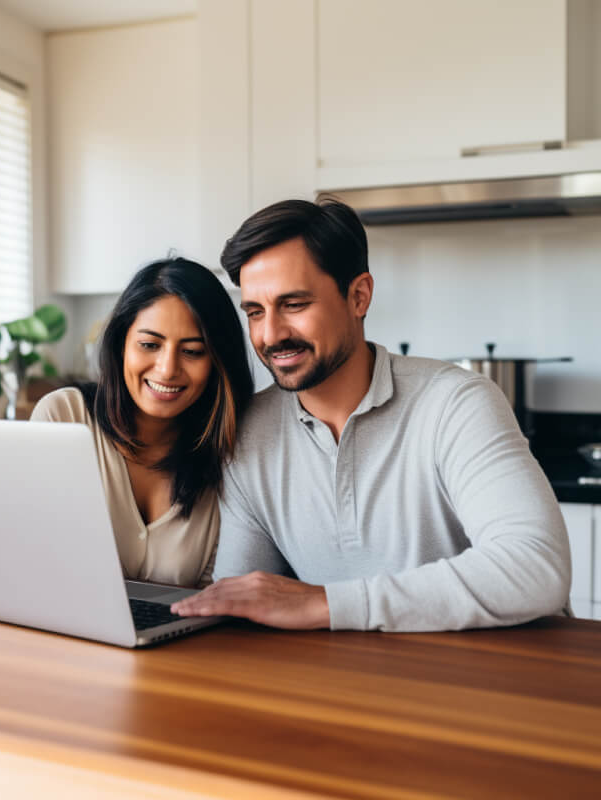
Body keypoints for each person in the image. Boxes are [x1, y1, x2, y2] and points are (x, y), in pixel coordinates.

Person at [172, 199, 570, 630]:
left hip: (491, 677)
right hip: (353, 683)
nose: (270, 335)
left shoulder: (456, 403)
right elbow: (241, 597)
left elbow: (536, 566)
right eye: (255, 311)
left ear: (358, 296)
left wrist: (326, 604)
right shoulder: (251, 431)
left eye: (294, 304)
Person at [31, 257, 253, 588]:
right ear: (121, 345)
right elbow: (32, 555)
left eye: (192, 351)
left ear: (218, 362)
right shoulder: (63, 417)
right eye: (149, 345)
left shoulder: (231, 451)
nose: (167, 369)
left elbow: (215, 594)